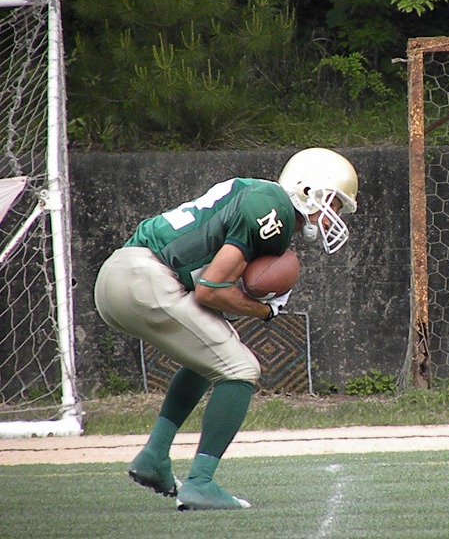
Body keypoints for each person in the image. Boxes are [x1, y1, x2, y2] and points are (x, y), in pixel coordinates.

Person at [94, 148, 358, 510]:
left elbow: (209, 288)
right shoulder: (273, 209)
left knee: (211, 360)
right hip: (145, 277)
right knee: (241, 368)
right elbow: (211, 289)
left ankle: (154, 457)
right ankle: (200, 482)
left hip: (121, 277)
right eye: (335, 203)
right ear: (309, 190)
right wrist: (265, 310)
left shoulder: (258, 195)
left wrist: (242, 297)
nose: (334, 216)